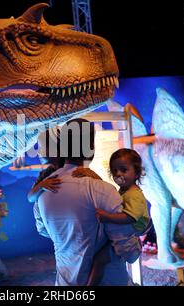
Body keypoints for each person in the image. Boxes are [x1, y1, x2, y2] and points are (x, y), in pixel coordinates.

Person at [34, 119, 142, 285]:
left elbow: (44, 231)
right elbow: (130, 253)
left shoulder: (42, 191)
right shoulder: (102, 190)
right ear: (91, 147)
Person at [72, 148, 150, 285]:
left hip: (128, 243)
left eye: (123, 170)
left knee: (99, 261)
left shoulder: (134, 194)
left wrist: (107, 216)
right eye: (114, 171)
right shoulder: (124, 191)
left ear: (136, 173)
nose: (118, 174)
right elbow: (108, 193)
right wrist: (92, 175)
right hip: (126, 239)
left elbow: (129, 217)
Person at [27, 127, 64, 204]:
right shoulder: (46, 172)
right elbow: (30, 198)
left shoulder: (68, 166)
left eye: (42, 147)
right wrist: (41, 185)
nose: (39, 152)